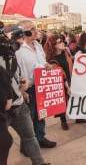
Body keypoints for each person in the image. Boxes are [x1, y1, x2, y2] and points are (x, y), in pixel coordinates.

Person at [1, 23, 50, 165]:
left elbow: (15, 75)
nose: (21, 40)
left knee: (31, 134)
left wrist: (21, 87)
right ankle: (24, 149)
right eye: (18, 36)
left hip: (21, 100)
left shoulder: (15, 53)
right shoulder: (17, 51)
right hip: (5, 107)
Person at [15, 20, 57, 151]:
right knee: (28, 120)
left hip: (41, 86)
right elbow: (15, 72)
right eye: (32, 28)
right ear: (23, 32)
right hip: (28, 89)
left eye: (35, 28)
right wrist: (21, 90)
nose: (36, 30)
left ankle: (41, 138)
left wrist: (47, 66)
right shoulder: (18, 49)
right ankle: (25, 146)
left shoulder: (38, 45)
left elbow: (43, 61)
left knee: (41, 115)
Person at [44, 34, 73, 130]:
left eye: (62, 41)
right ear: (54, 45)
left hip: (70, 79)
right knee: (62, 101)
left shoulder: (65, 52)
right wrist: (67, 87)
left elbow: (69, 62)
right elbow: (61, 75)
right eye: (59, 42)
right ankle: (63, 120)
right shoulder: (52, 60)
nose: (63, 43)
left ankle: (78, 116)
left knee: (73, 99)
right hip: (61, 83)